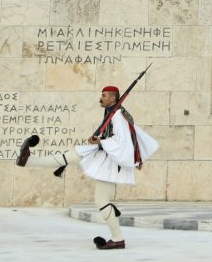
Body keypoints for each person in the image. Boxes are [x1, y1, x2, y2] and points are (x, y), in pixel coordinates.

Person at [16, 85, 158, 250]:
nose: (101, 98)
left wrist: (100, 141)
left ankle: (118, 239)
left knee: (101, 200)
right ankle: (28, 160)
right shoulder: (112, 112)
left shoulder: (118, 115)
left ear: (113, 98)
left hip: (111, 161)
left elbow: (123, 142)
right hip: (104, 155)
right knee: (71, 155)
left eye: (104, 95)